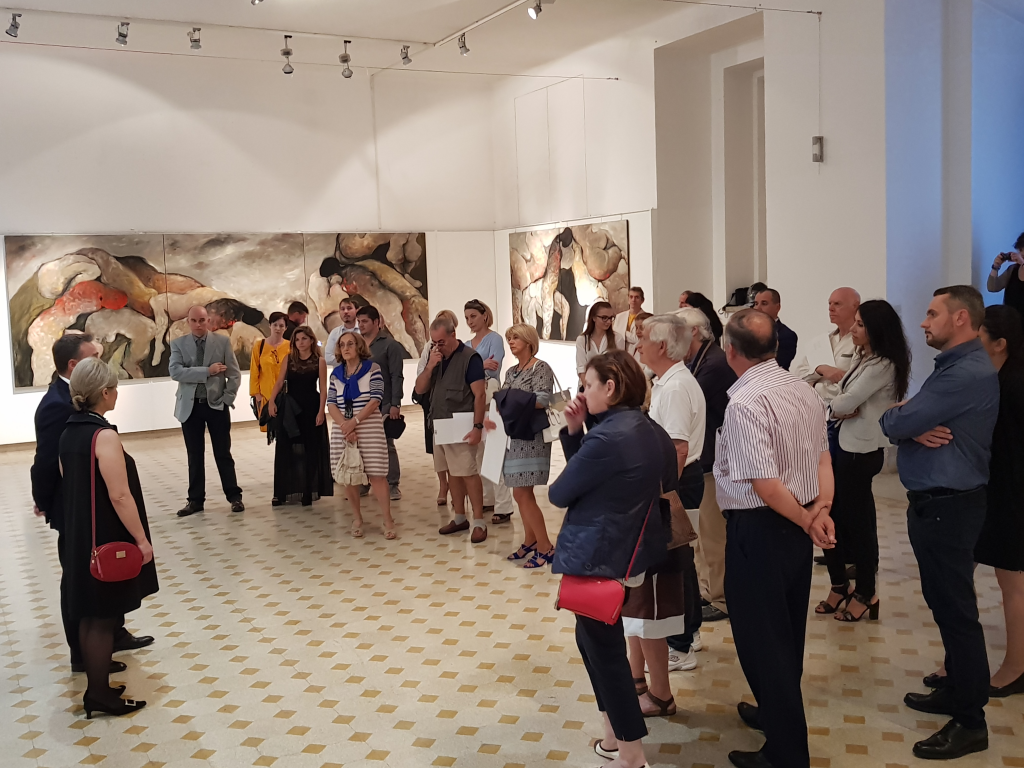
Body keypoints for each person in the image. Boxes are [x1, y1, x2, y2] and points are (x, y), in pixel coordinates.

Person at [880, 285, 998, 761]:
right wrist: (907, 423)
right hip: (938, 504)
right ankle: (955, 690)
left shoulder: (963, 374)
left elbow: (895, 423)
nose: (923, 322)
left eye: (932, 314)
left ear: (961, 318)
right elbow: (905, 422)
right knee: (945, 606)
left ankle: (971, 721)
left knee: (957, 613)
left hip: (950, 506)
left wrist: (902, 421)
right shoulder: (952, 367)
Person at [714, 309, 835, 768]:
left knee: (762, 638)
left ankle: (785, 754)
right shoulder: (802, 389)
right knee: (785, 632)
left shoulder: (745, 403)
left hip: (762, 527)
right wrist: (820, 510)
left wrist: (809, 520)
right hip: (794, 523)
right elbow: (822, 459)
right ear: (776, 347)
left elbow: (765, 484)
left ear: (730, 351)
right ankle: (772, 710)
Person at [549, 350, 674, 768]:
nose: (582, 394)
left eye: (587, 385)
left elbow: (560, 492)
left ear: (611, 387)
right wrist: (576, 430)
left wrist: (580, 434)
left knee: (605, 654)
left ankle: (632, 756)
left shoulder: (606, 439)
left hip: (600, 555)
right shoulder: (649, 429)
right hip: (631, 549)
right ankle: (611, 735)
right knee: (591, 642)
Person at [31, 334, 153, 673]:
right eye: (93, 357)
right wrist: (43, 500)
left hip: (94, 506)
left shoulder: (78, 405)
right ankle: (84, 654)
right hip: (78, 509)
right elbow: (47, 461)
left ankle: (114, 634)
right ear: (74, 365)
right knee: (81, 582)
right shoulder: (57, 405)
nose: (100, 361)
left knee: (106, 574)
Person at [60, 357, 158, 718]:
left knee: (90, 616)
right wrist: (141, 540)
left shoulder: (69, 432)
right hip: (106, 537)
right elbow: (119, 495)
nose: (117, 393)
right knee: (103, 617)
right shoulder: (103, 435)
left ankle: (97, 688)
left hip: (81, 538)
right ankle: (99, 694)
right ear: (104, 392)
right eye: (115, 387)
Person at [815, 300, 910, 622]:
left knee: (858, 526)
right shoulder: (863, 356)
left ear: (876, 330)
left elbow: (846, 401)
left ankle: (866, 592)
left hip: (860, 451)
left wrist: (832, 405)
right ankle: (839, 585)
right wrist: (836, 404)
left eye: (859, 324)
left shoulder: (883, 364)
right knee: (831, 514)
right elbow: (841, 397)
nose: (852, 329)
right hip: (841, 443)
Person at [631, 314, 707, 710]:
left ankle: (682, 641)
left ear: (662, 346)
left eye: (644, 338)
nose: (638, 345)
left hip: (676, 482)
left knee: (677, 563)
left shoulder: (676, 387)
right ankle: (684, 635)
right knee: (681, 562)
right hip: (674, 481)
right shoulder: (666, 381)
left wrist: (659, 493)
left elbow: (677, 449)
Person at [974, 306, 1024, 697]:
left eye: (979, 335)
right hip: (1002, 490)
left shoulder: (1012, 385)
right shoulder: (1001, 378)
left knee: (1012, 581)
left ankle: (1016, 667)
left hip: (1012, 493)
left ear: (999, 343)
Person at [677, 307, 737, 623]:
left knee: (712, 533)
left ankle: (721, 597)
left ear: (694, 333)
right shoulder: (698, 361)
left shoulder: (713, 363)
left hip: (713, 460)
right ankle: (706, 590)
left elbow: (687, 406)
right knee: (700, 532)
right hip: (704, 458)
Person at [415, 315, 488, 543]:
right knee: (450, 472)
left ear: (453, 335)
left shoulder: (470, 358)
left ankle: (479, 521)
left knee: (467, 472)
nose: (438, 346)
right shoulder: (434, 358)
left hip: (461, 424)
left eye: (441, 342)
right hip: (439, 425)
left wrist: (477, 427)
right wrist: (430, 366)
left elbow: (480, 395)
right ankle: (459, 517)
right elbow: (419, 389)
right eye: (434, 342)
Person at [488, 323, 555, 568]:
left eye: (515, 338)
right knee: (519, 492)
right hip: (513, 436)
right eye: (509, 338)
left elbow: (543, 399)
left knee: (523, 493)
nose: (511, 342)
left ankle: (546, 546)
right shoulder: (511, 371)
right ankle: (531, 540)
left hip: (531, 437)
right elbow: (501, 400)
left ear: (528, 341)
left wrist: (511, 400)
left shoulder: (541, 367)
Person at [168, 306, 243, 517]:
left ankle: (234, 497)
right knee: (194, 455)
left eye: (202, 320)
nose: (198, 324)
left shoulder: (222, 342)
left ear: (208, 320)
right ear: (188, 322)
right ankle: (195, 500)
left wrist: (227, 399)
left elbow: (234, 374)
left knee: (223, 453)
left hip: (216, 405)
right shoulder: (178, 344)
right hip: (190, 407)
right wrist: (207, 371)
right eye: (194, 320)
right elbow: (176, 372)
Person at [327, 331, 396, 539]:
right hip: (343, 429)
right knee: (349, 476)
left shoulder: (372, 369)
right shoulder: (336, 374)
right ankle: (357, 518)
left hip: (368, 427)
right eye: (342, 345)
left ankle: (388, 519)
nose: (346, 348)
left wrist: (354, 422)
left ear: (359, 347)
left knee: (377, 474)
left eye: (350, 344)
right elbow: (331, 403)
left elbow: (375, 399)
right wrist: (345, 426)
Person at [266, 326, 332, 507]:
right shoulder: (289, 359)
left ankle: (307, 491)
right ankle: (282, 493)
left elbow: (323, 388)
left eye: (304, 339)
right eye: (297, 339)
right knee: (286, 447)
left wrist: (321, 411)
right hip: (291, 408)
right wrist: (271, 401)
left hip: (311, 407)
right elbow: (279, 382)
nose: (300, 342)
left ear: (311, 340)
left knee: (310, 448)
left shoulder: (319, 361)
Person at [465, 299, 514, 524]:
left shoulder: (494, 339)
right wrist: (480, 366)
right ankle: (487, 498)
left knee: (494, 449)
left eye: (473, 316)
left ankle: (504, 505)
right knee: (479, 453)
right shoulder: (467, 343)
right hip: (474, 399)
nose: (470, 321)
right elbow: (468, 371)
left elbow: (493, 367)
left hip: (491, 397)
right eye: (467, 318)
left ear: (485, 315)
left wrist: (476, 367)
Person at [356, 306, 405, 501]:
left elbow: (396, 375)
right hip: (361, 402)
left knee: (386, 444)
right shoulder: (357, 344)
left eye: (365, 321)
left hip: (383, 402)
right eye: (359, 321)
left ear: (377, 322)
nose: (361, 325)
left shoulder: (389, 345)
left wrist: (395, 403)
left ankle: (392, 484)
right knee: (361, 443)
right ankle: (363, 482)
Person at [416, 310, 460, 507]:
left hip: (455, 407)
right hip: (434, 404)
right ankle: (443, 485)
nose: (438, 344)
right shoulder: (429, 349)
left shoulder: (462, 352)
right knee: (438, 451)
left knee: (456, 454)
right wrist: (431, 364)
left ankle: (458, 494)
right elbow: (420, 381)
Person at [792, 287, 861, 404]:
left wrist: (813, 386)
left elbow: (852, 387)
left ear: (855, 306)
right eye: (830, 303)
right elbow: (798, 376)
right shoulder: (822, 341)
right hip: (815, 408)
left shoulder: (861, 342)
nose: (831, 308)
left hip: (844, 408)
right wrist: (820, 369)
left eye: (837, 304)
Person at [249, 312, 290, 434]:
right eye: (275, 325)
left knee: (285, 428)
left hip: (285, 394)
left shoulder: (290, 346)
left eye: (281, 326)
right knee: (270, 428)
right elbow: (254, 371)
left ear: (286, 328)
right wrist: (257, 394)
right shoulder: (259, 345)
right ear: (270, 325)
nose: (278, 328)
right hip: (265, 394)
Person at [576, 301, 622, 388]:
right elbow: (581, 369)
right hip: (586, 387)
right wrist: (589, 390)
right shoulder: (582, 340)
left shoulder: (617, 338)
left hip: (609, 388)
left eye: (611, 318)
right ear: (594, 318)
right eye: (604, 318)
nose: (608, 322)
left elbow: (619, 368)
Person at [753, 288, 798, 370]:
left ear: (777, 307)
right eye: (756, 304)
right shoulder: (748, 331)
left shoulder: (786, 335)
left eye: (764, 303)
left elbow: (779, 364)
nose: (758, 308)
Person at [986, 233, 1024, 328]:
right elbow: (993, 287)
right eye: (1020, 250)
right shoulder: (1013, 269)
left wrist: (1022, 263)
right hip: (1012, 323)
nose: (1022, 253)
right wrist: (995, 267)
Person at [324, 298, 361, 366]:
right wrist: (348, 361)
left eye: (349, 308)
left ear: (357, 311)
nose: (345, 312)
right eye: (342, 309)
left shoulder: (363, 331)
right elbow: (328, 358)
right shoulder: (334, 333)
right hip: (341, 372)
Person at [613, 287, 647, 356]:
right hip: (619, 354)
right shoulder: (619, 317)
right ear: (628, 299)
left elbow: (637, 340)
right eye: (631, 297)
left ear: (642, 300)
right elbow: (615, 336)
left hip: (637, 355)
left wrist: (622, 332)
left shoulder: (646, 318)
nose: (633, 300)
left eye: (637, 297)